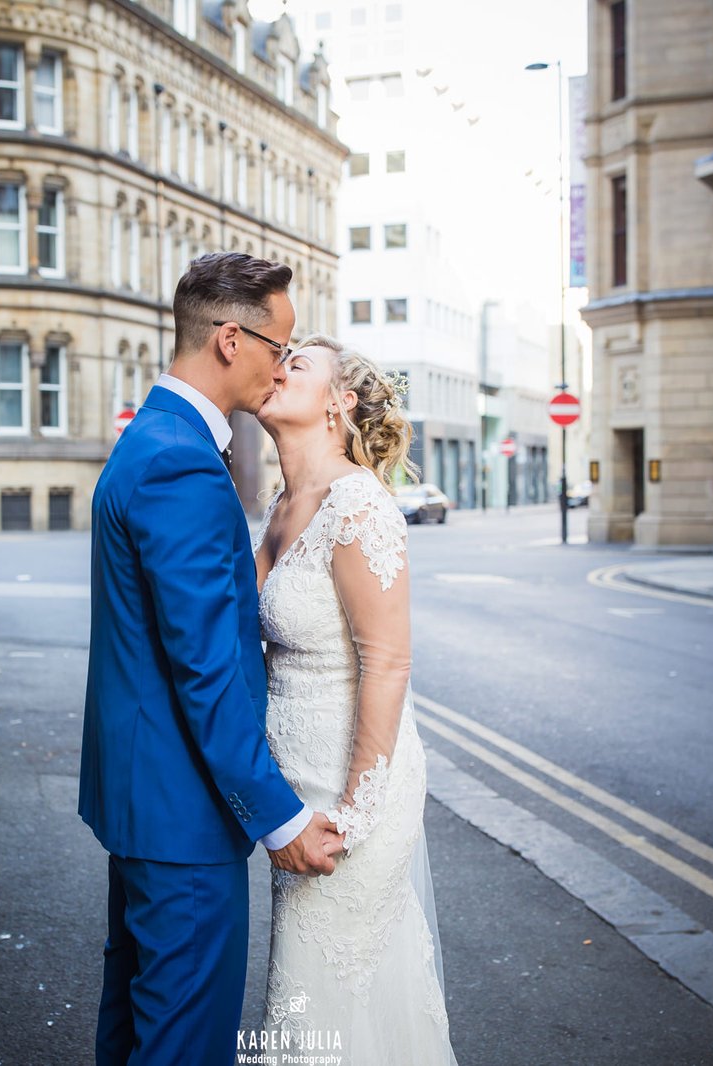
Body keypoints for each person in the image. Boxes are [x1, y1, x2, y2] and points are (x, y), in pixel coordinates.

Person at [79, 252, 344, 1066]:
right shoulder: (179, 463)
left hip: (145, 798)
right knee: (182, 1044)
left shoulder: (155, 440)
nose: (282, 365)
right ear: (232, 339)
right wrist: (281, 818)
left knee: (136, 1021)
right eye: (278, 346)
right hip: (185, 812)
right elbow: (206, 669)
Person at [252, 335, 457, 1063]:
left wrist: (357, 810)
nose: (275, 370)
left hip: (349, 796)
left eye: (297, 364)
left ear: (340, 402)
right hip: (295, 788)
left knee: (319, 999)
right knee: (322, 999)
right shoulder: (282, 502)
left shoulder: (358, 506)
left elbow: (388, 661)